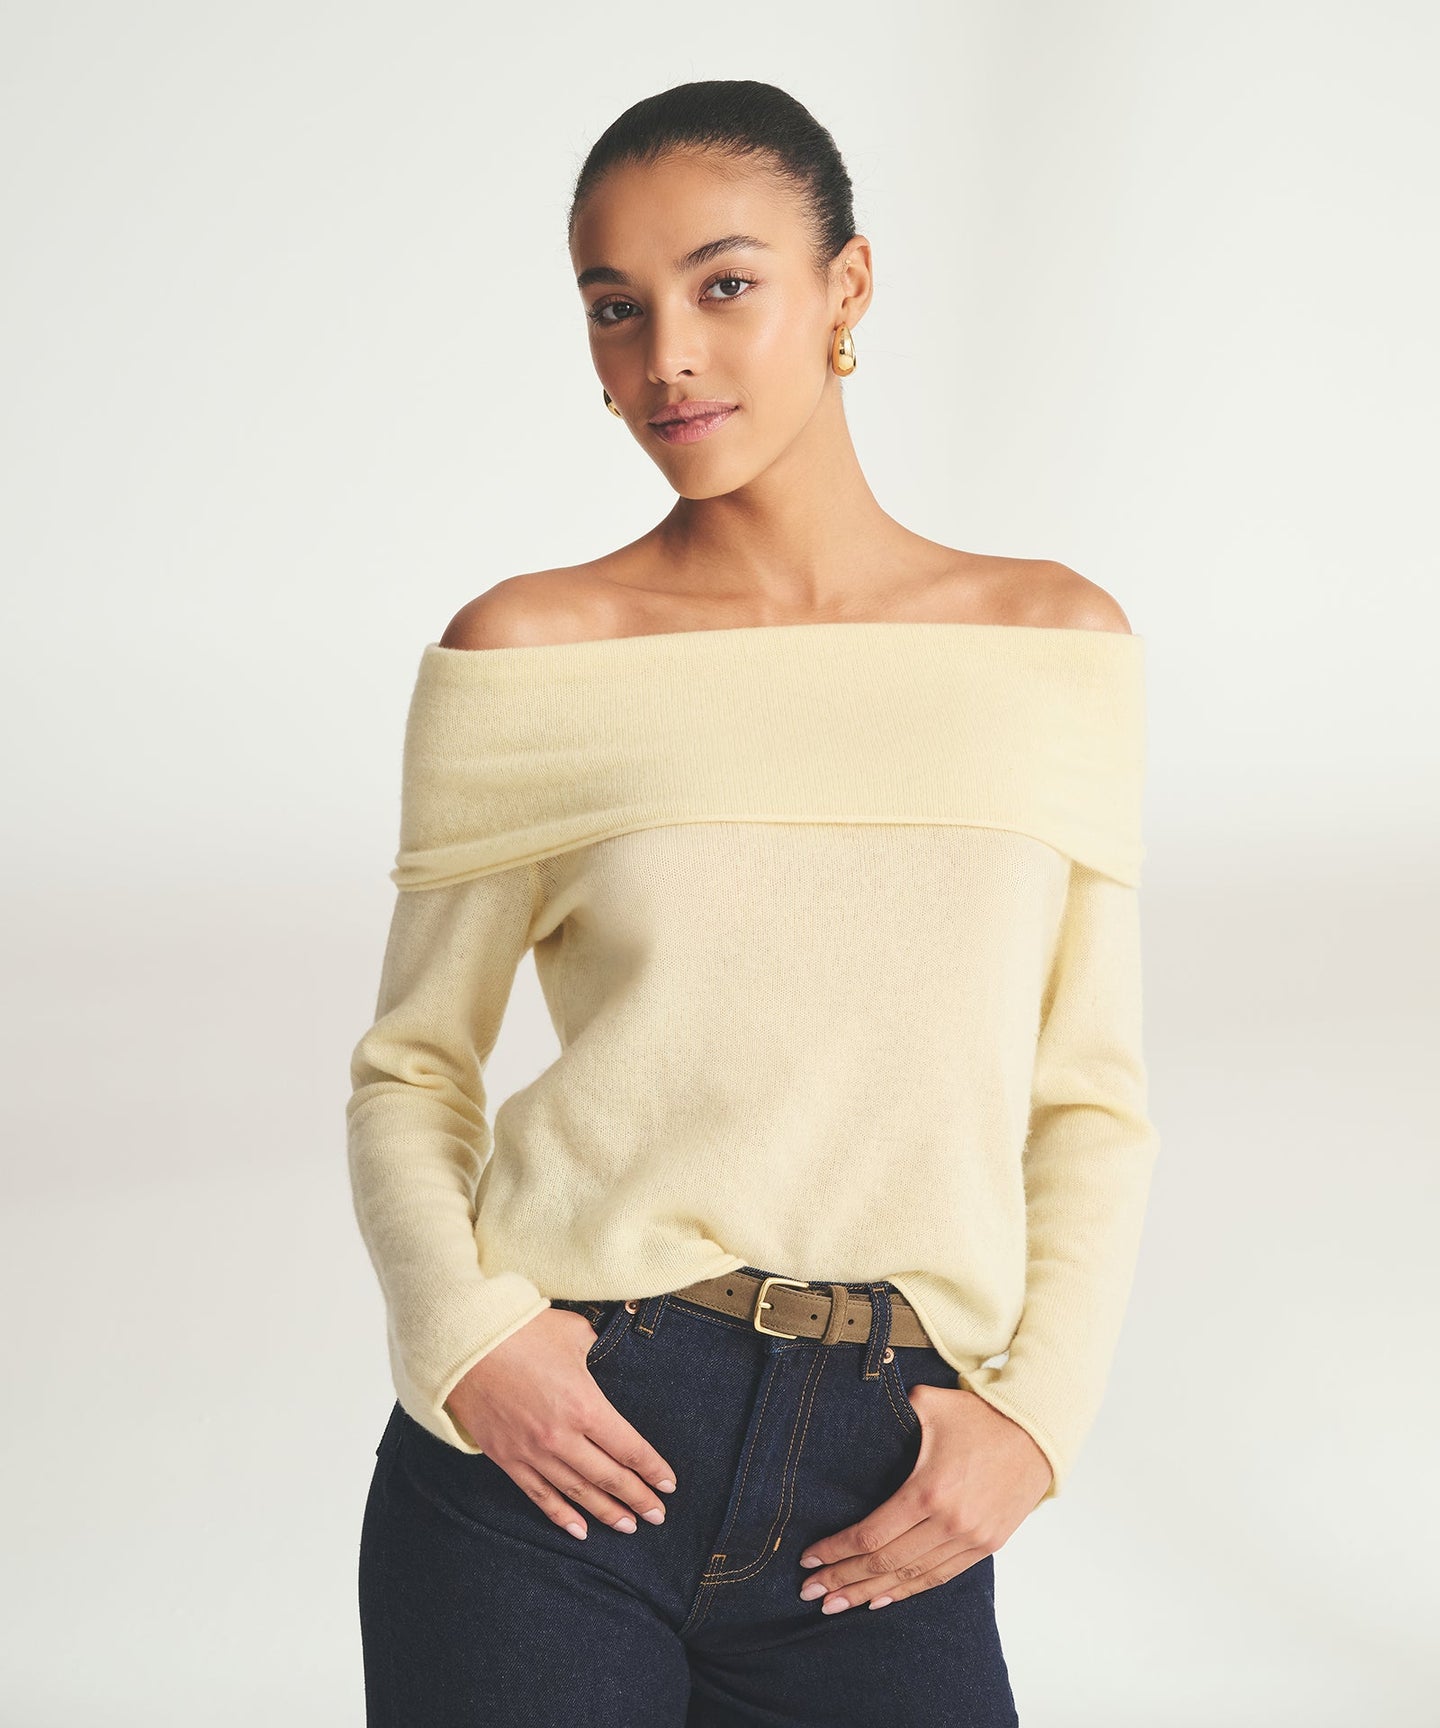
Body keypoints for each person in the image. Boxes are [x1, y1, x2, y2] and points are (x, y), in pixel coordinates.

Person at [346, 78, 1158, 1728]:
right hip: (560, 1458)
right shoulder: (530, 656)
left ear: (848, 285)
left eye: (725, 285)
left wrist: (1038, 1421)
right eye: (615, 307)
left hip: (887, 1485)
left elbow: (1088, 1096)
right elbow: (412, 1069)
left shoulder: (1052, 651)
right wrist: (467, 1339)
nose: (668, 357)